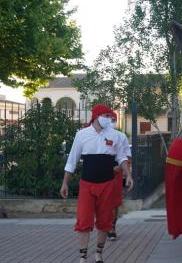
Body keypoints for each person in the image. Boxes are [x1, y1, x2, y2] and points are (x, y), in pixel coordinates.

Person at [59, 104, 132, 263]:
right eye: (105, 116)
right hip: (87, 184)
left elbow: (122, 158)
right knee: (84, 220)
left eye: (109, 116)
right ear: (96, 116)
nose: (108, 119)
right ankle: (83, 256)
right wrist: (65, 183)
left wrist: (128, 174)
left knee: (105, 221)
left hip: (107, 184)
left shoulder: (116, 135)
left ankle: (98, 254)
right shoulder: (82, 135)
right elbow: (72, 161)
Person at [108, 111, 132, 241]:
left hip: (116, 172)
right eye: (109, 118)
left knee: (115, 203)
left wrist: (119, 168)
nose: (111, 121)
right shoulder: (98, 136)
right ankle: (104, 225)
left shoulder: (121, 136)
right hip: (100, 173)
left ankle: (112, 227)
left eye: (113, 119)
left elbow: (127, 156)